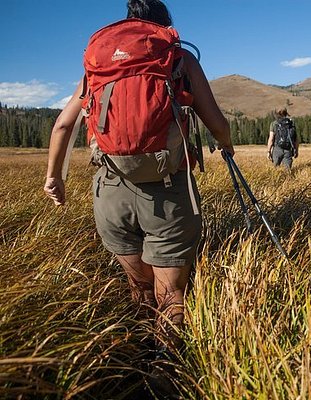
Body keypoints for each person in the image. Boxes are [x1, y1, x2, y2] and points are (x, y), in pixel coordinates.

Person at [44, 0, 233, 367]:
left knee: (139, 287)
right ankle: (166, 369)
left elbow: (63, 126)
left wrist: (54, 178)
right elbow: (217, 123)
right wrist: (226, 145)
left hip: (110, 190)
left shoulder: (99, 65)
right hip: (168, 190)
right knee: (171, 292)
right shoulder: (179, 59)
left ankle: (140, 358)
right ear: (164, 26)